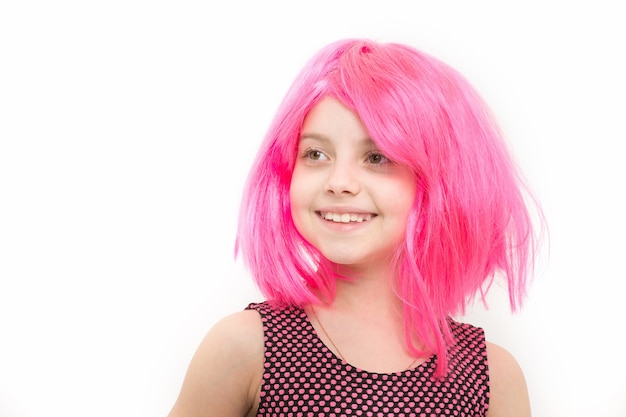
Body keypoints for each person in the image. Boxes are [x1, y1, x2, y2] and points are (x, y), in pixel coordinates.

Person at [167, 38, 544, 417]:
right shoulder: (247, 349)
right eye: (316, 154)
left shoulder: (492, 379)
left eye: (377, 157)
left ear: (440, 183)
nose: (339, 181)